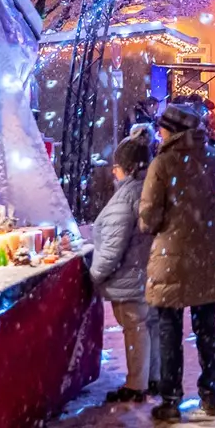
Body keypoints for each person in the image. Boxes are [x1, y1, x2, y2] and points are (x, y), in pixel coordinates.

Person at [139, 105, 215, 422]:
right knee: (206, 327)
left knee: (169, 330)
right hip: (207, 253)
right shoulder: (213, 157)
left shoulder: (162, 164)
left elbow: (149, 217)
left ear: (170, 131)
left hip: (172, 257)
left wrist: (164, 222)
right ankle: (210, 393)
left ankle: (171, 398)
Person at [90, 135, 161, 403]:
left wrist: (94, 276)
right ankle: (153, 378)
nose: (113, 172)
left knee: (135, 329)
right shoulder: (152, 188)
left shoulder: (125, 197)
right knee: (149, 327)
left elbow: (111, 250)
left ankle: (136, 385)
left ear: (128, 168)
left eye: (116, 166)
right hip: (149, 274)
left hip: (130, 279)